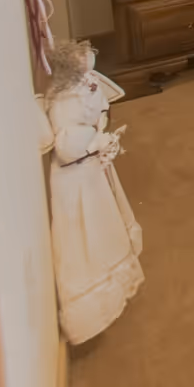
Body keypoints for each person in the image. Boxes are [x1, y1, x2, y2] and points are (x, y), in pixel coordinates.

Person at [42, 41, 144, 342]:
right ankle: (91, 304)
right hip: (76, 177)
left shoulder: (89, 84)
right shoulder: (62, 102)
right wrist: (95, 141)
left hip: (91, 167)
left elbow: (102, 107)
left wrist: (101, 133)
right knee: (85, 230)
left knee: (104, 220)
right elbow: (66, 144)